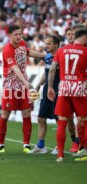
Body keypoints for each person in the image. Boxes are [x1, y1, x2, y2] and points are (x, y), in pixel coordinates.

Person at [0, 24, 45, 153]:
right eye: (16, 34)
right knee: (5, 114)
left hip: (23, 86)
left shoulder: (22, 43)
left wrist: (43, 55)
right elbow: (14, 68)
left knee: (26, 112)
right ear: (9, 35)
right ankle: (1, 145)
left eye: (20, 34)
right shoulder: (7, 49)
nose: (19, 36)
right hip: (10, 86)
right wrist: (25, 81)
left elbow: (28, 52)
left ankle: (26, 145)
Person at [48, 28, 87, 162]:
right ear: (84, 38)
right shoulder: (85, 51)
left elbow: (52, 69)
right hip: (79, 87)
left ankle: (60, 155)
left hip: (64, 87)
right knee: (83, 120)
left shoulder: (61, 50)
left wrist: (50, 87)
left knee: (62, 122)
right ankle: (84, 150)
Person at [29, 35, 60, 154]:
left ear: (56, 45)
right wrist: (38, 86)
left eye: (49, 44)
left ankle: (59, 146)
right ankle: (41, 146)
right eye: (45, 43)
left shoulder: (61, 57)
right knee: (41, 118)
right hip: (46, 90)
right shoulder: (47, 57)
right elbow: (47, 73)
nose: (45, 46)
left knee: (59, 119)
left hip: (57, 91)